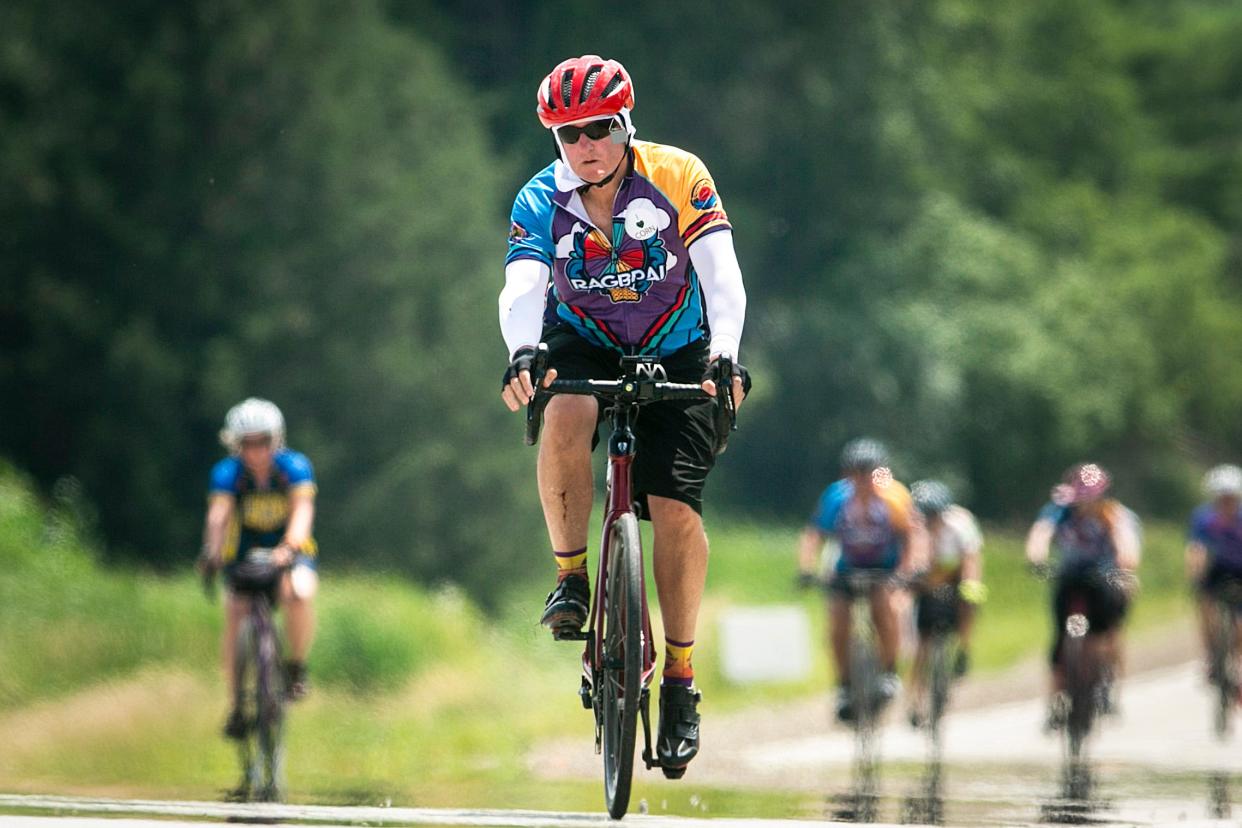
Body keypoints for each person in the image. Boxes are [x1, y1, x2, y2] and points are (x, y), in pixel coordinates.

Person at [497, 55, 749, 777]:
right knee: (565, 408)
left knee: (673, 508)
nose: (586, 146)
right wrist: (521, 350)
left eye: (600, 128)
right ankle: (572, 578)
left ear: (626, 122)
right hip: (585, 338)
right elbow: (522, 284)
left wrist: (725, 355)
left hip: (680, 343)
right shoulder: (540, 198)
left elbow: (721, 275)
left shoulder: (678, 174)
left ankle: (679, 681)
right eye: (569, 133)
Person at [197, 398, 319, 740]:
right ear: (236, 444)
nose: (255, 452)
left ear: (275, 440)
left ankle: (296, 667)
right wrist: (212, 551)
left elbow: (302, 511)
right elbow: (219, 516)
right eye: (247, 444)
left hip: (290, 550)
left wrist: (290, 546)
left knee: (299, 592)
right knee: (235, 612)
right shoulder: (227, 474)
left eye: (262, 442)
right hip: (244, 556)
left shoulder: (294, 467)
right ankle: (236, 704)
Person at [796, 438, 928, 722]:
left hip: (885, 568)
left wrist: (908, 570)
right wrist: (806, 568)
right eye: (856, 473)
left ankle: (889, 671)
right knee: (837, 620)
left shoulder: (894, 497)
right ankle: (844, 686)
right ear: (848, 474)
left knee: (886, 607)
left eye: (869, 472)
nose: (863, 479)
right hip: (847, 568)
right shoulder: (836, 497)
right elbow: (814, 534)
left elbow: (912, 536)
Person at [1025, 462, 1139, 727]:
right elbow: (1040, 535)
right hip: (1070, 576)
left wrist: (1125, 564)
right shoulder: (1059, 510)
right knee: (1059, 637)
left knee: (1106, 630)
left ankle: (1104, 682)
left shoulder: (1112, 513)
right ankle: (1055, 700)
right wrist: (1037, 559)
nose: (1085, 504)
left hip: (1102, 576)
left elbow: (1125, 544)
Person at [905, 479, 985, 728]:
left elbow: (971, 558)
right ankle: (916, 702)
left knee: (968, 602)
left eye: (934, 515)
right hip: (927, 581)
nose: (930, 520)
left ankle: (963, 647)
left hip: (955, 577)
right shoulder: (915, 527)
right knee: (923, 644)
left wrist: (970, 585)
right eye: (925, 515)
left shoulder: (961, 523)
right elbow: (912, 559)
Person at [1186, 464, 1242, 679]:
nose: (1226, 502)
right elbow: (1196, 547)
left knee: (1239, 622)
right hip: (1216, 570)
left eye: (1230, 497)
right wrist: (1195, 573)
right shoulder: (1203, 517)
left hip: (1239, 570)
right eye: (1221, 497)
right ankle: (1211, 655)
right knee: (1205, 606)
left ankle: (1236, 662)